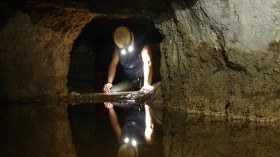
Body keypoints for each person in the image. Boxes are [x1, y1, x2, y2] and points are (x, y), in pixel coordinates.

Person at [103, 26, 155, 157]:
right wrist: (109, 83)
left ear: (132, 38)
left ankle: (149, 87)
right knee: (112, 92)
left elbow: (148, 62)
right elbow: (113, 64)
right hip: (130, 82)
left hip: (143, 80)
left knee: (149, 92)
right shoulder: (118, 49)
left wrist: (147, 84)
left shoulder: (142, 46)